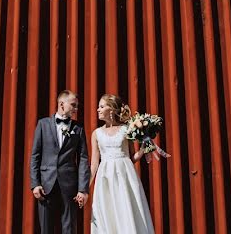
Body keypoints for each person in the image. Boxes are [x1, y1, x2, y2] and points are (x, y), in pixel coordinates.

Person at [89, 94, 155, 233]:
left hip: (125, 177)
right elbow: (94, 163)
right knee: (108, 211)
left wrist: (144, 147)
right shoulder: (96, 133)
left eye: (102, 106)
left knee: (125, 209)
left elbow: (132, 157)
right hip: (105, 178)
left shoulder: (126, 130)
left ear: (112, 110)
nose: (98, 110)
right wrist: (85, 186)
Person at [31, 90, 91, 233]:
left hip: (69, 185)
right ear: (61, 104)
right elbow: (35, 156)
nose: (76, 109)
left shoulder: (78, 128)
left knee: (69, 227)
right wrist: (35, 184)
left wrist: (83, 189)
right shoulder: (43, 124)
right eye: (73, 105)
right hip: (46, 184)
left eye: (77, 106)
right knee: (46, 228)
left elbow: (83, 159)